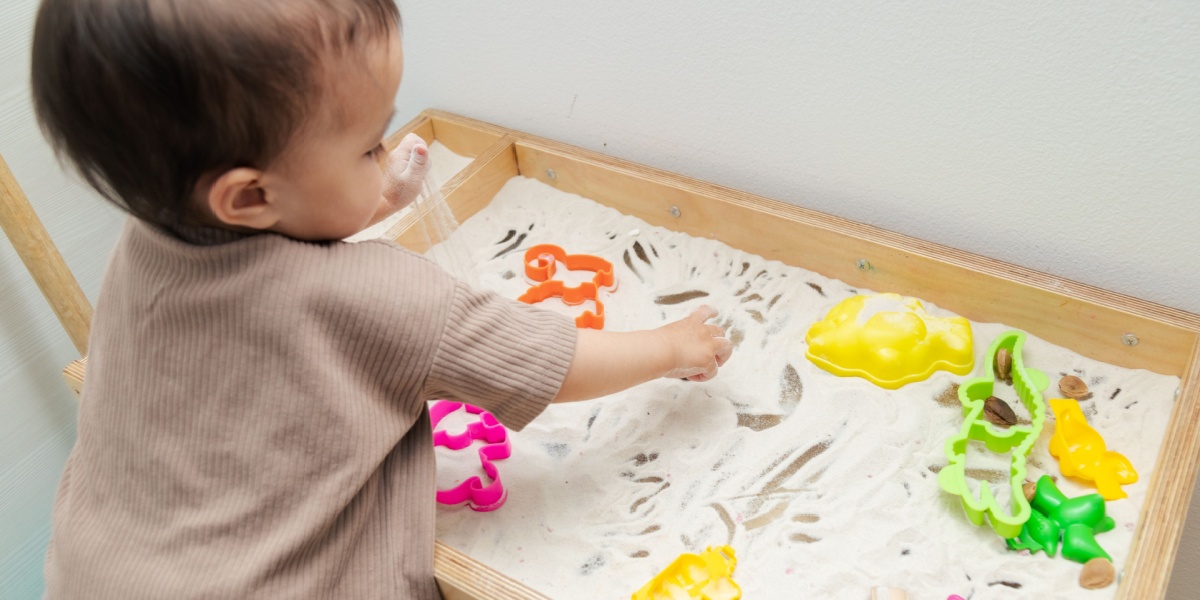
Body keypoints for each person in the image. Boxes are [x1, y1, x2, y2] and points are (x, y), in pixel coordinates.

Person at [29, 0, 733, 598]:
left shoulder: (146, 239)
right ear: (250, 195)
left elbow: (275, 235)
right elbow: (553, 362)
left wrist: (368, 194)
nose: (386, 152)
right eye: (369, 148)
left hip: (101, 569)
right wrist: (673, 347)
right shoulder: (381, 294)